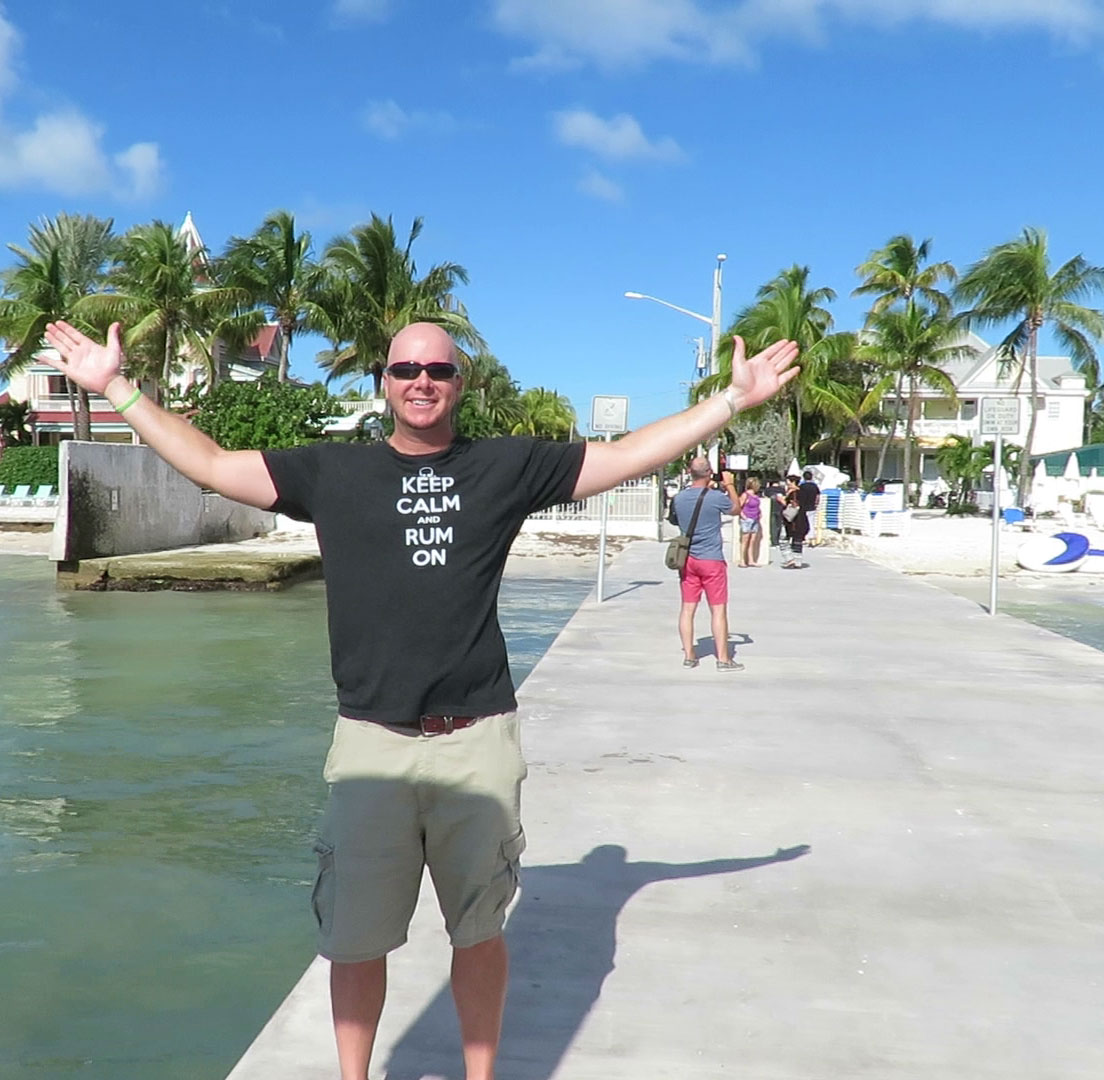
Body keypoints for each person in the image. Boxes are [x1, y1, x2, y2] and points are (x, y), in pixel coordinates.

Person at [40, 317, 798, 1080]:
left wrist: (728, 404)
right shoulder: (332, 474)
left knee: (480, 934)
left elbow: (630, 453)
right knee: (353, 940)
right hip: (371, 743)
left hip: (478, 738)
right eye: (405, 369)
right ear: (384, 383)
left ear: (459, 383)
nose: (421, 380)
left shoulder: (506, 467)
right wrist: (117, 388)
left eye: (437, 369)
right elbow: (206, 462)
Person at [670, 457, 742, 670]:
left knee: (687, 609)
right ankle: (723, 659)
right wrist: (729, 483)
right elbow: (736, 509)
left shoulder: (679, 498)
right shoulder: (715, 497)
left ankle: (689, 656)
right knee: (718, 610)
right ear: (710, 473)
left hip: (688, 559)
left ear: (689, 472)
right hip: (711, 559)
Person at [779, 477, 809, 569]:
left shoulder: (793, 493)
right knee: (797, 541)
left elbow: (788, 504)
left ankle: (789, 559)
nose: (787, 484)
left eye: (788, 482)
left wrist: (781, 499)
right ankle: (798, 561)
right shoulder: (804, 493)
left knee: (783, 540)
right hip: (803, 519)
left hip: (792, 520)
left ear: (793, 482)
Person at [737, 476, 762, 568]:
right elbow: (739, 506)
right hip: (747, 519)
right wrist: (743, 516)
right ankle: (742, 560)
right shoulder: (745, 495)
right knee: (745, 541)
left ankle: (751, 560)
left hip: (755, 519)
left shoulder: (756, 496)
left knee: (752, 541)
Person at [798, 469, 821, 547]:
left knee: (803, 524)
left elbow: (799, 496)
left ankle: (804, 538)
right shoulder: (815, 486)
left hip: (803, 507)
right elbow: (818, 496)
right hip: (812, 507)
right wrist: (816, 504)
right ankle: (811, 540)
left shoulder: (802, 486)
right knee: (811, 522)